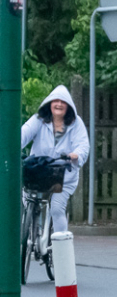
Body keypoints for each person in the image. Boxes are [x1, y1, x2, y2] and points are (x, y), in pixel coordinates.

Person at [20, 86, 90, 233]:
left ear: (69, 106)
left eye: (63, 102)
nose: (58, 104)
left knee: (57, 209)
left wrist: (75, 155)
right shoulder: (38, 120)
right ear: (49, 103)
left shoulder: (77, 124)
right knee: (28, 202)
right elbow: (23, 134)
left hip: (63, 177)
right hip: (39, 173)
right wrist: (12, 148)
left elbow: (83, 145)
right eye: (55, 101)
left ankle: (59, 247)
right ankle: (30, 235)